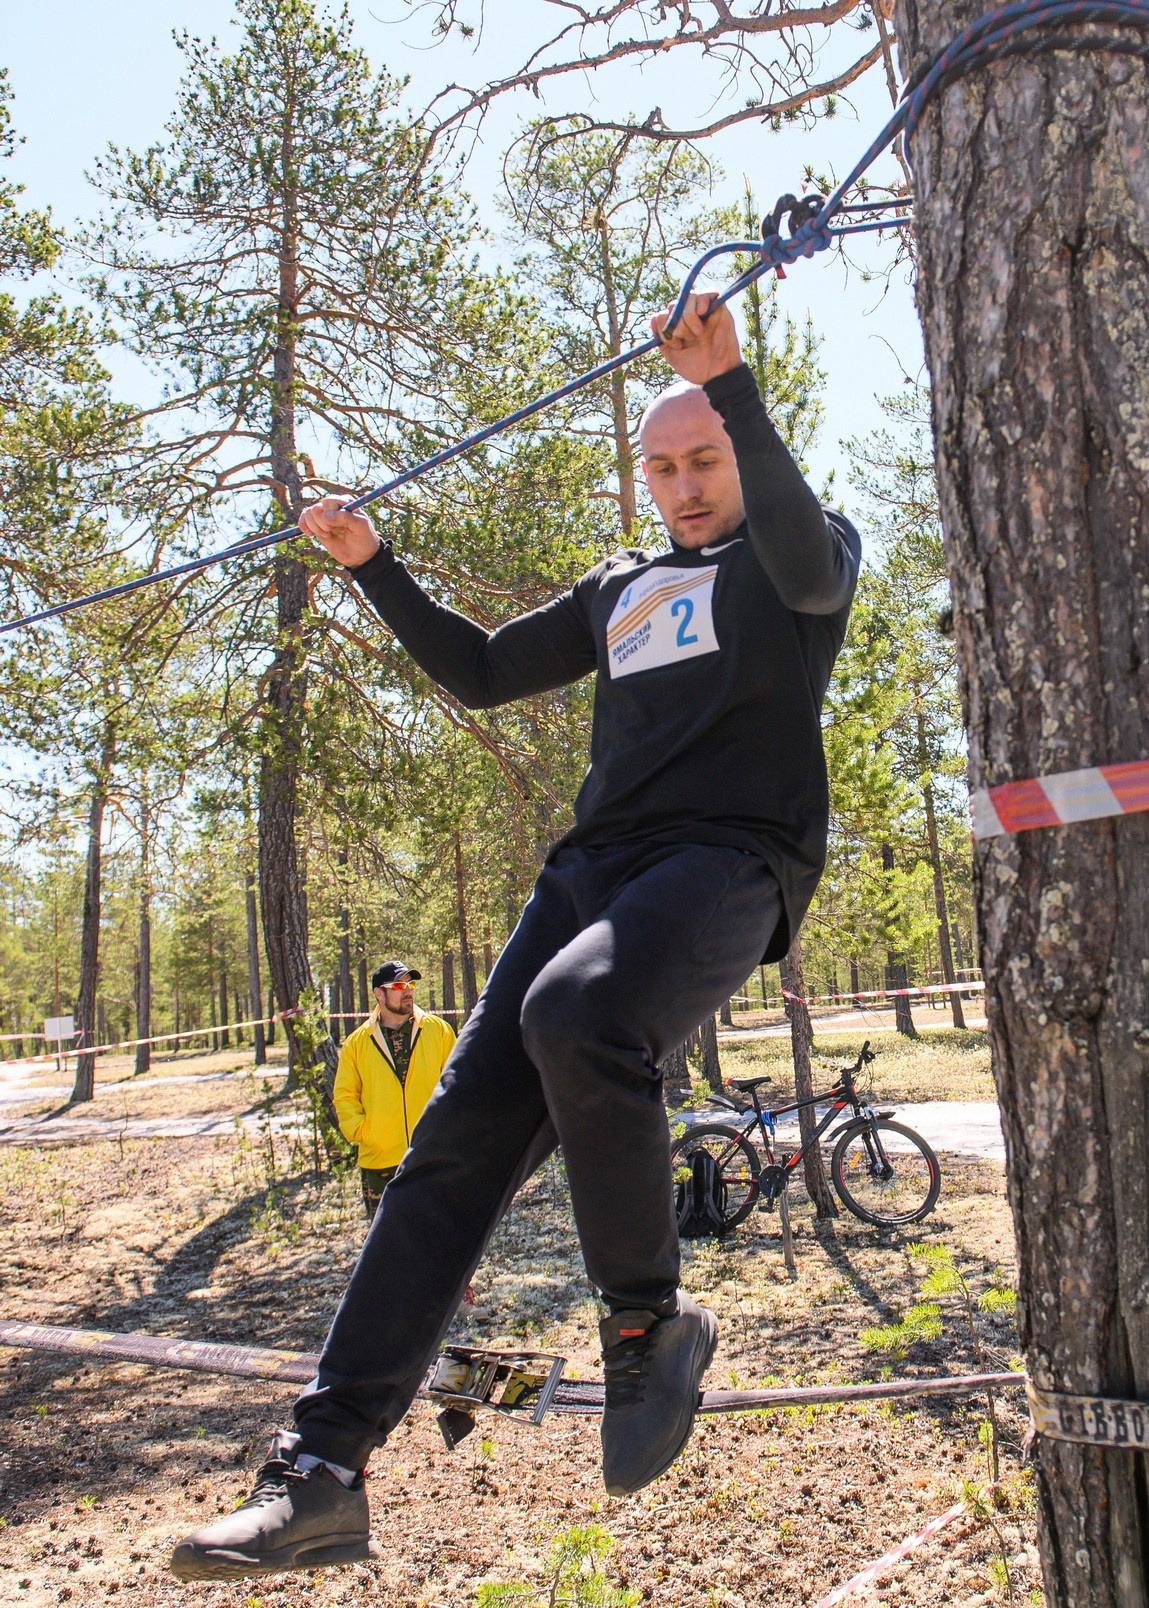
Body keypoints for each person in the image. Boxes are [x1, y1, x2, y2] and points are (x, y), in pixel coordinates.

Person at [170, 293, 861, 1582]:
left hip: (726, 864)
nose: (685, 485)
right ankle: (320, 1472)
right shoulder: (621, 589)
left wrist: (736, 387)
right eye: (661, 467)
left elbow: (816, 571)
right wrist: (374, 561)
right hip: (591, 874)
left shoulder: (796, 551)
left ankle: (650, 1327)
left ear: (739, 449)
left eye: (704, 457)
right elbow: (484, 670)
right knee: (450, 1151)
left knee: (576, 1013)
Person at [333, 961, 457, 1219]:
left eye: (410, 984)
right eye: (399, 985)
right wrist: (365, 1132)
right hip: (380, 1163)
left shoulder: (438, 1030)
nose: (408, 991)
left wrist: (447, 1132)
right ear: (379, 993)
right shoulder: (357, 1043)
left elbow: (457, 1083)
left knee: (437, 1238)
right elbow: (345, 1096)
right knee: (387, 1245)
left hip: (431, 1156)